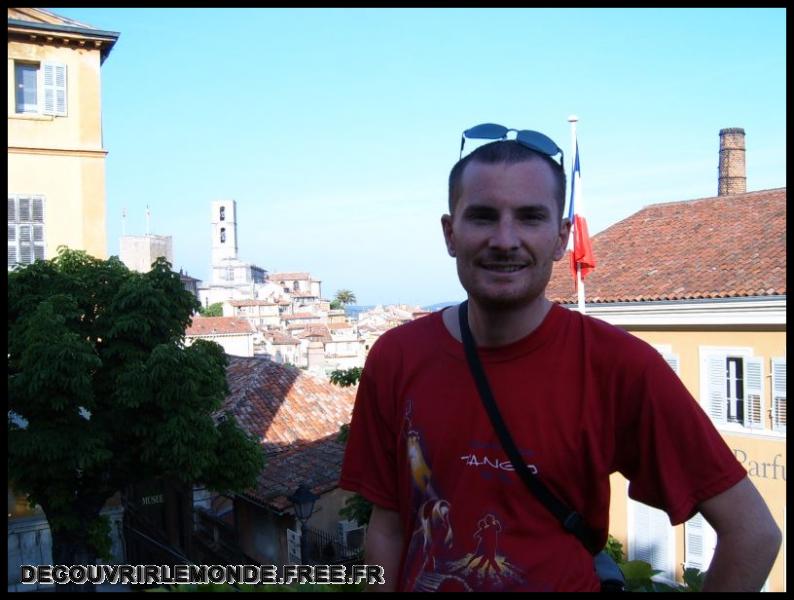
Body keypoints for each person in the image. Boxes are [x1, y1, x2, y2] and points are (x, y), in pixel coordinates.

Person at [339, 125, 781, 592]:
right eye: (483, 216)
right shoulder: (396, 357)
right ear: (451, 233)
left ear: (561, 237)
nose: (505, 239)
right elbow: (387, 528)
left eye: (530, 217)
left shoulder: (621, 367)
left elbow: (753, 534)